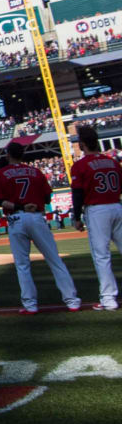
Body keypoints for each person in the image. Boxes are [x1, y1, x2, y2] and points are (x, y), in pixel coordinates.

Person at [0, 141, 80, 313]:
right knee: (54, 259)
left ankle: (30, 305)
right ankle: (72, 301)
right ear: (22, 154)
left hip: (16, 218)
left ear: (8, 154)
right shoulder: (36, 172)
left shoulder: (1, 174)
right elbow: (47, 198)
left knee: (22, 265)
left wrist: (19, 206)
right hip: (36, 216)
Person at [70, 123, 122, 311]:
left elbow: (77, 193)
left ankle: (108, 298)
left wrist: (76, 216)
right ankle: (109, 297)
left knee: (102, 256)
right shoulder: (113, 162)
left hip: (97, 209)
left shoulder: (80, 165)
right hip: (117, 206)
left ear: (83, 144)